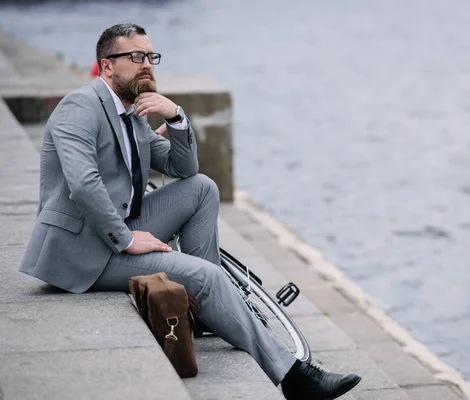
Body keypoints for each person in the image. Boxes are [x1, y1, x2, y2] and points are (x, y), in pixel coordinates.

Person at [19, 23, 361, 399]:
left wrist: (177, 117)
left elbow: (184, 169)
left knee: (202, 189)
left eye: (150, 56)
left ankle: (208, 310)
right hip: (83, 251)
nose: (147, 64)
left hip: (117, 230)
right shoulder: (80, 107)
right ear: (106, 66)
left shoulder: (134, 113)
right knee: (208, 278)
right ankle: (295, 378)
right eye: (135, 56)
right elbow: (83, 184)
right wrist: (127, 238)